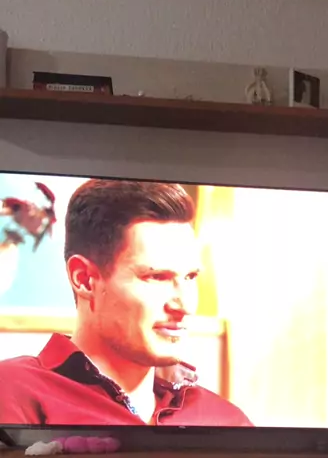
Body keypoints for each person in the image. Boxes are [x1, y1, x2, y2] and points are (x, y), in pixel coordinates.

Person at [0, 179, 253, 427]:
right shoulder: (13, 393)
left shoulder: (227, 421)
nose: (185, 306)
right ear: (84, 279)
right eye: (157, 277)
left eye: (190, 277)